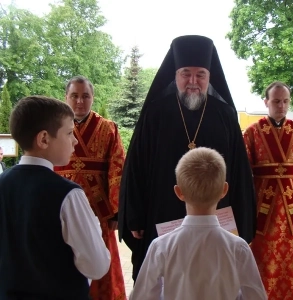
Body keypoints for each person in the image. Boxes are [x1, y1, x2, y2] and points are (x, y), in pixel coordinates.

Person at [118, 35, 257, 282]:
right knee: (165, 281)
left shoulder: (224, 114)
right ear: (175, 75)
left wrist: (243, 220)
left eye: (200, 74)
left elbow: (239, 170)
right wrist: (134, 215)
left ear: (209, 77)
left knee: (213, 282)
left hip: (216, 218)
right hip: (162, 212)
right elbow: (136, 166)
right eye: (186, 73)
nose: (193, 81)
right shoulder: (155, 113)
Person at [0, 96, 110, 299]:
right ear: (44, 139)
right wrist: (93, 227)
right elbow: (97, 266)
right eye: (69, 133)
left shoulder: (3, 182)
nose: (75, 141)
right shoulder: (68, 195)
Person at [130, 147, 267, 300]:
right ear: (224, 190)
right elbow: (257, 297)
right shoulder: (238, 248)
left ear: (178, 192)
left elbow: (141, 296)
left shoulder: (161, 246)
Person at [243, 81, 293, 300]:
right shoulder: (251, 133)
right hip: (261, 214)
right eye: (276, 101)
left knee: (292, 264)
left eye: (286, 101)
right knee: (262, 263)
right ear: (266, 102)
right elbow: (242, 175)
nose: (281, 106)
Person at [54, 76, 126, 300]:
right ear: (66, 97)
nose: (80, 101)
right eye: (74, 96)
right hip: (58, 205)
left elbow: (117, 168)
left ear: (92, 98)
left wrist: (116, 210)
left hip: (99, 209)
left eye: (85, 96)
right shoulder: (54, 126)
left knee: (101, 262)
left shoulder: (108, 128)